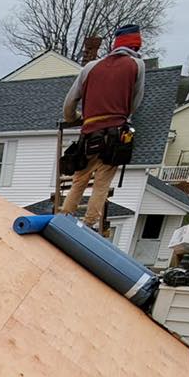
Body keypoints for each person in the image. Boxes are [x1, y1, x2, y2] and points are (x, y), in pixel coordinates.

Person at [60, 24, 146, 232]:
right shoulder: (136, 66)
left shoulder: (90, 68)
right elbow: (135, 103)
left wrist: (76, 118)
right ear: (135, 46)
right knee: (101, 183)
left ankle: (63, 220)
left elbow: (69, 103)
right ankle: (88, 226)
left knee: (79, 180)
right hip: (115, 135)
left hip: (89, 133)